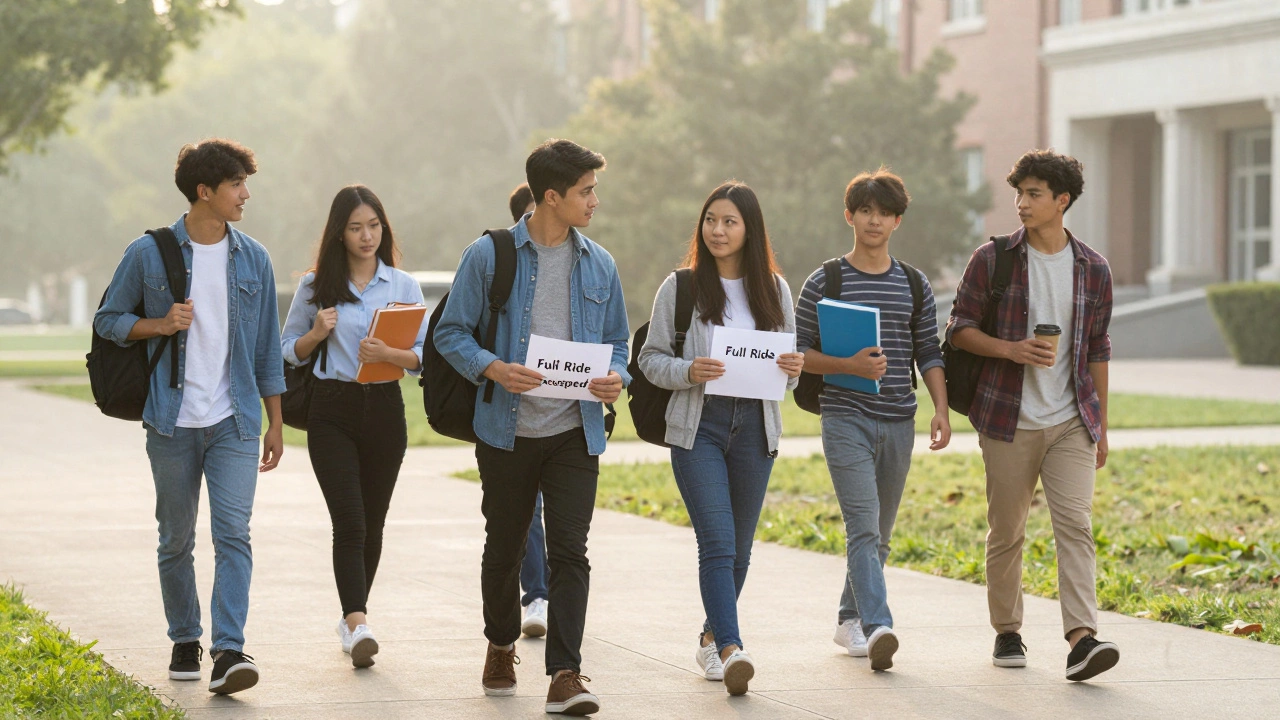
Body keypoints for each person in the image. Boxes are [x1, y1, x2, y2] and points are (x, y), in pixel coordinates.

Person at [434, 139, 630, 716]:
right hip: (506, 429)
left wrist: (616, 376)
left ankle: (565, 674)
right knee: (506, 548)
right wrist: (492, 366)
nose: (595, 200)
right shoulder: (489, 256)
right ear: (551, 196)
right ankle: (500, 642)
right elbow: (450, 333)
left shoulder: (600, 262)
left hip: (576, 430)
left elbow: (618, 342)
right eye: (586, 191)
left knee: (572, 552)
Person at [93, 139, 285, 695]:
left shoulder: (254, 257)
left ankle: (229, 651)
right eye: (236, 186)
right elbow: (108, 320)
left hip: (234, 420)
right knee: (176, 538)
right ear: (205, 191)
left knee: (234, 534)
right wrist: (160, 324)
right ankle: (185, 637)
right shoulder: (148, 253)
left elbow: (267, 349)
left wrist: (275, 421)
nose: (246, 195)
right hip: (172, 420)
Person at [946, 149, 1118, 681]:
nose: (1021, 203)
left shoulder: (1093, 267)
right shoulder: (993, 259)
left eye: (1034, 194)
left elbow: (1097, 349)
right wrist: (1012, 349)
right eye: (1019, 193)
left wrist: (1102, 426)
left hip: (1071, 419)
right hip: (1007, 418)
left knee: (1076, 526)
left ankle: (1081, 640)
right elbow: (958, 330)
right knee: (1008, 531)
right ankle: (1007, 631)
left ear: (1062, 200)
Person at [638, 181, 803, 696]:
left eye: (729, 221)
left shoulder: (774, 290)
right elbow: (649, 359)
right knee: (717, 541)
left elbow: (788, 372)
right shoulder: (681, 287)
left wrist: (793, 367)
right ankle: (732, 648)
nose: (717, 230)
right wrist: (690, 370)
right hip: (699, 426)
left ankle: (710, 636)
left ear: (749, 230)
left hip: (755, 427)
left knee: (741, 550)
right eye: (710, 220)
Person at [795, 168, 950, 672]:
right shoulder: (825, 280)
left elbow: (928, 350)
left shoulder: (913, 282)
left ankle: (848, 619)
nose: (874, 220)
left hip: (899, 419)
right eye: (865, 210)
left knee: (879, 535)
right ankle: (878, 624)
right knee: (862, 526)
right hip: (844, 416)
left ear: (897, 220)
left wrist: (941, 409)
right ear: (850, 216)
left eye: (884, 212)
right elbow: (795, 355)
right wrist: (848, 366)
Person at [280, 185, 426, 669]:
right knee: (351, 520)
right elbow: (286, 350)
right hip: (331, 409)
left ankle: (350, 619)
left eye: (374, 226)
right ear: (338, 234)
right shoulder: (314, 286)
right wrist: (316, 334)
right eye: (356, 227)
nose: (367, 236)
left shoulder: (402, 285)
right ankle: (358, 622)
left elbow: (423, 357)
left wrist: (391, 355)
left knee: (375, 523)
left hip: (385, 408)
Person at [508, 182, 552, 639]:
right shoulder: (498, 261)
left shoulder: (590, 263)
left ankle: (556, 594)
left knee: (563, 524)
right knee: (526, 515)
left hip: (570, 418)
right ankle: (536, 595)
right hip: (514, 418)